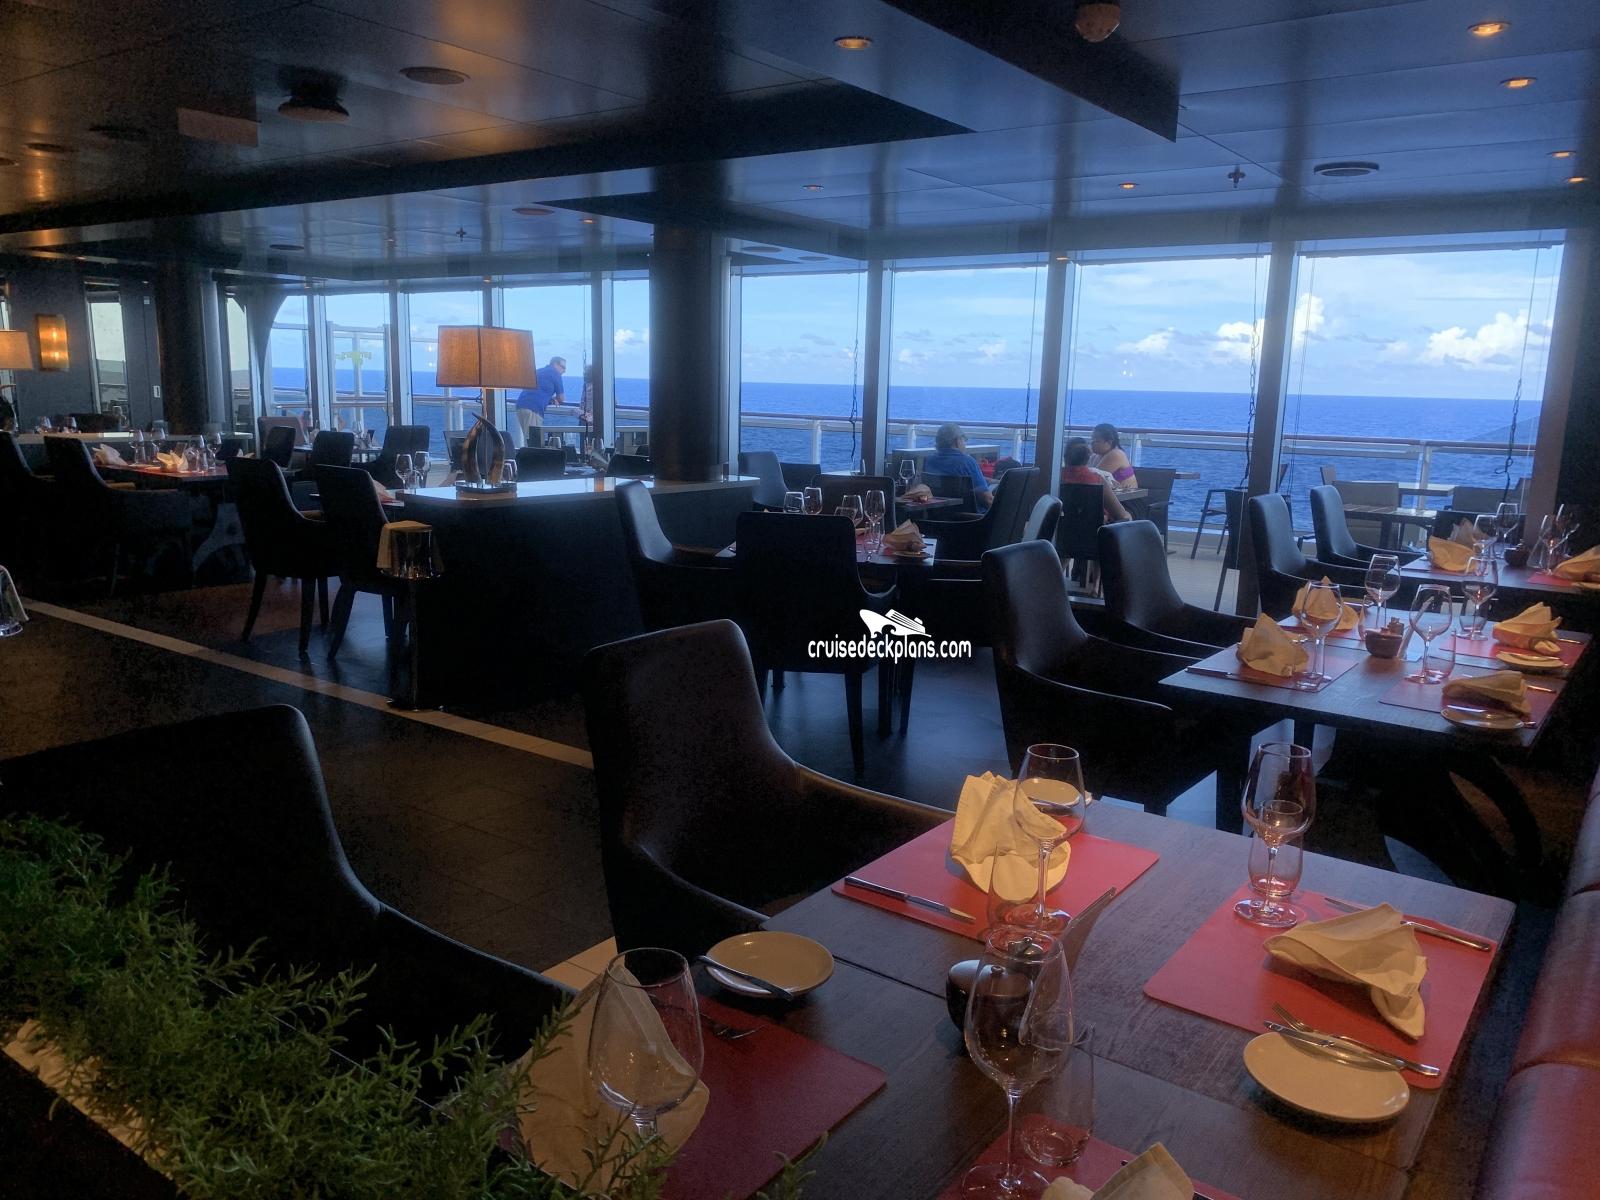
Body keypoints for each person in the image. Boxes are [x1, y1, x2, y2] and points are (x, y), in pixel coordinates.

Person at [922, 422, 993, 509]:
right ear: (957, 441)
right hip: (971, 516)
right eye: (964, 440)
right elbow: (988, 499)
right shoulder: (967, 462)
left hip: (937, 514)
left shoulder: (929, 461)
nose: (965, 443)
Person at [1062, 438, 1131, 522]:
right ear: (1088, 458)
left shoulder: (1055, 478)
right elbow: (1120, 514)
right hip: (1095, 528)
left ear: (1065, 456)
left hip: (1062, 527)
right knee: (1127, 515)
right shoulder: (1097, 480)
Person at [514, 356, 565, 447]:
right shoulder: (555, 374)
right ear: (555, 364)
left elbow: (536, 390)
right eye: (563, 367)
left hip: (521, 406)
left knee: (528, 438)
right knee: (533, 442)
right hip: (533, 408)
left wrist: (550, 399)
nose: (564, 371)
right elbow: (561, 398)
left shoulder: (538, 371)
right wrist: (554, 398)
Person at [1088, 422, 1137, 490]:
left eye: (1097, 441)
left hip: (1129, 495)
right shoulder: (1095, 456)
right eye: (1092, 439)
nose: (1092, 443)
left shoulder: (1116, 454)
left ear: (1109, 442)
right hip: (1112, 494)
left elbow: (1093, 479)